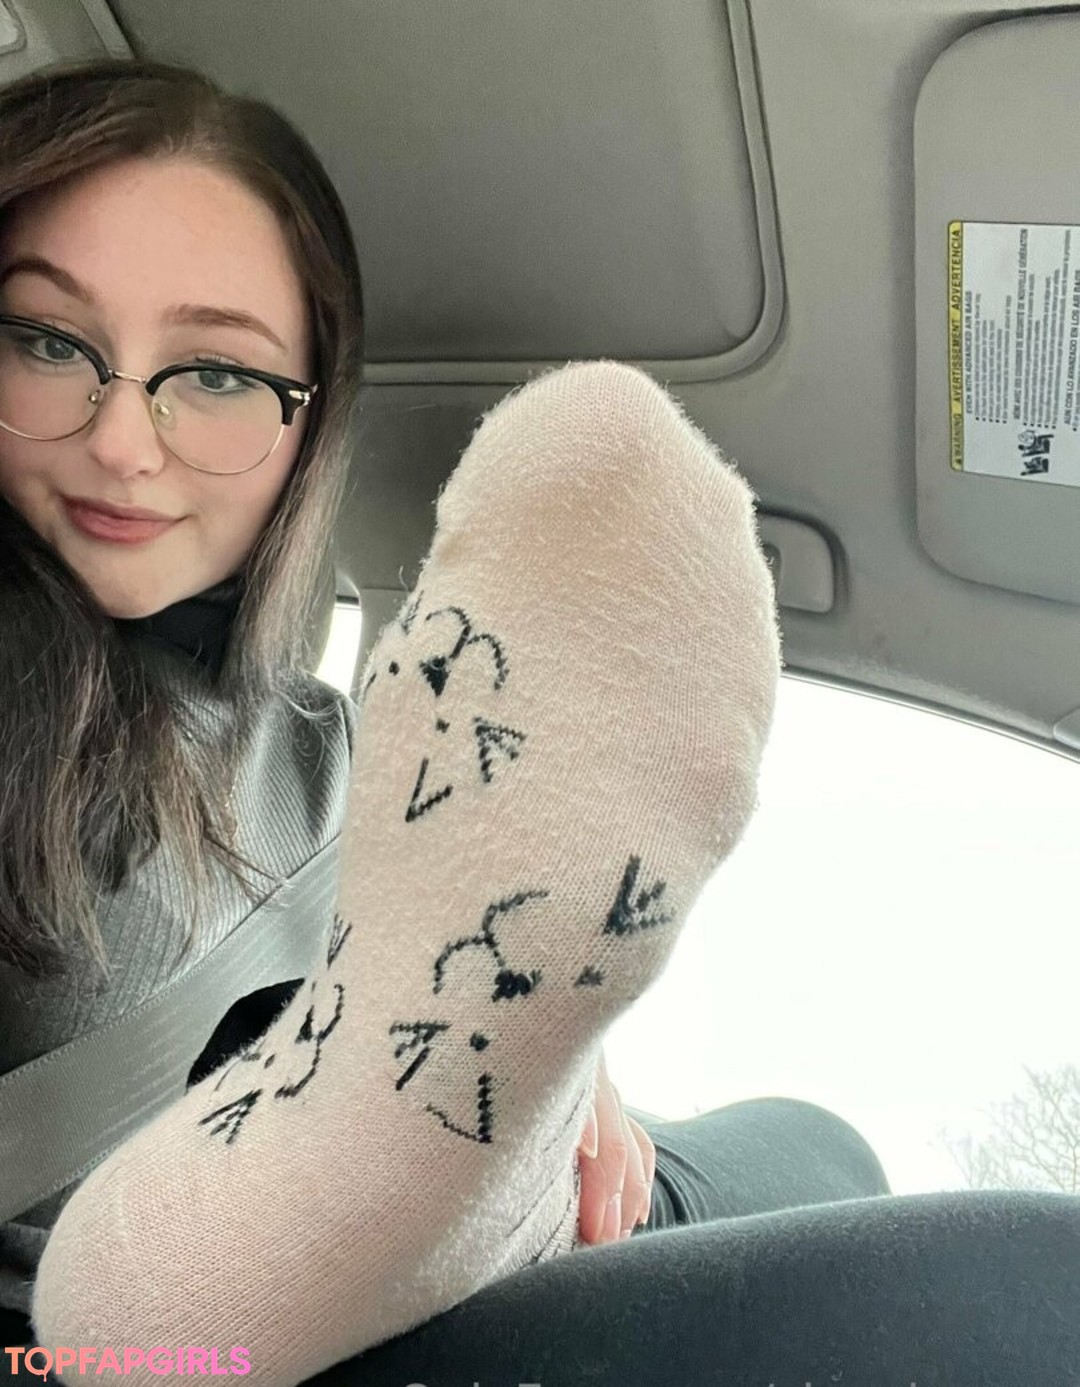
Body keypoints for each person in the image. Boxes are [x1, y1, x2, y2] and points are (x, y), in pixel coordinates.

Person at [0, 54, 1075, 1387]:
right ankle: (410, 1184)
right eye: (46, 342)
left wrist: (540, 1059)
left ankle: (470, 1152)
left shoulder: (328, 749)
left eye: (215, 372)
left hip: (395, 1221)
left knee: (823, 1143)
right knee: (1035, 1296)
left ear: (309, 421)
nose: (122, 440)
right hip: (109, 1345)